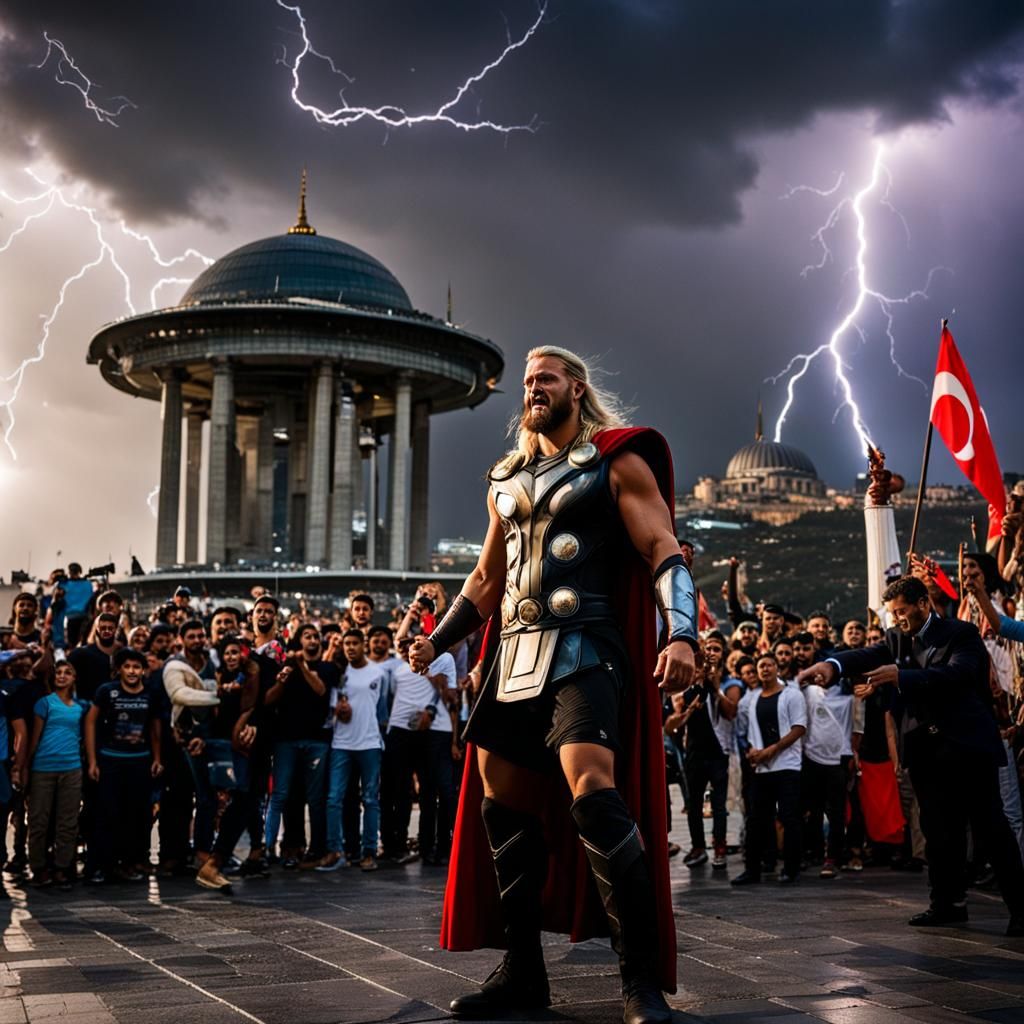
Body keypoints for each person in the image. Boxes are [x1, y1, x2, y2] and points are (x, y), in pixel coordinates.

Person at [409, 346, 697, 1024]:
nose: (534, 388)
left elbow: (662, 547)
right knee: (499, 802)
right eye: (529, 380)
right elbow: (485, 580)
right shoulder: (505, 478)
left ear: (577, 388)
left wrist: (679, 631)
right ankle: (522, 973)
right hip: (511, 654)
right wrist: (438, 638)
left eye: (548, 378)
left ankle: (638, 980)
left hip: (584, 646)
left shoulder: (615, 463)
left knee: (593, 788)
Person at [799, 575, 1024, 936]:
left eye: (902, 612)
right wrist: (833, 665)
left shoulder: (960, 634)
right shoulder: (895, 639)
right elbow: (866, 654)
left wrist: (902, 676)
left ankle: (1021, 909)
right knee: (936, 830)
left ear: (923, 603)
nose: (898, 620)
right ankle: (947, 904)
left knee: (991, 828)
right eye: (893, 614)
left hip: (967, 748)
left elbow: (958, 675)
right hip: (925, 752)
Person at [84, 648, 162, 882]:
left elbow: (155, 727)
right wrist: (92, 760)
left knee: (136, 816)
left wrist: (157, 758)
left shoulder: (150, 693)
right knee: (107, 814)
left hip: (140, 762)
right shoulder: (107, 691)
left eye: (136, 667)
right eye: (127, 666)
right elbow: (90, 722)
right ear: (119, 669)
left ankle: (129, 864)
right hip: (110, 761)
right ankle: (100, 866)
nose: (131, 671)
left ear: (143, 670)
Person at [732, 652, 806, 885]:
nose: (765, 669)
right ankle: (752, 869)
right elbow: (744, 729)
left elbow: (799, 728)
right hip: (762, 767)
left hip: (787, 765)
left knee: (789, 816)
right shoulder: (752, 699)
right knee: (756, 819)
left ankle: (791, 868)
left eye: (769, 665)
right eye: (760, 665)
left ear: (777, 668)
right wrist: (752, 752)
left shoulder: (791, 695)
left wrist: (772, 750)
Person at [263, 624, 334, 868]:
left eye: (316, 636)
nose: (312, 640)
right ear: (298, 641)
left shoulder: (326, 667)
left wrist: (301, 665)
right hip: (286, 741)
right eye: (307, 636)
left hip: (317, 742)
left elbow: (320, 689)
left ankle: (316, 849)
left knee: (316, 799)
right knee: (282, 795)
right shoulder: (285, 668)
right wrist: (284, 677)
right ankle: (270, 848)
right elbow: (269, 699)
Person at [319, 630, 386, 872]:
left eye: (354, 643)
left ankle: (369, 852)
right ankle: (335, 850)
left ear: (363, 645)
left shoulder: (378, 673)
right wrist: (337, 710)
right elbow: (328, 707)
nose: (350, 648)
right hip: (341, 744)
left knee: (370, 800)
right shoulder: (338, 673)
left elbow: (383, 710)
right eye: (346, 644)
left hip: (369, 744)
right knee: (334, 799)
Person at [27, 659, 86, 889]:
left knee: (68, 821)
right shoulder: (45, 703)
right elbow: (35, 738)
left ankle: (62, 867)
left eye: (67, 672)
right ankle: (39, 868)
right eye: (58, 672)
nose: (62, 676)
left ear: (74, 678)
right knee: (39, 819)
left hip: (71, 767)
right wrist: (24, 767)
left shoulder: (80, 706)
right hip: (43, 767)